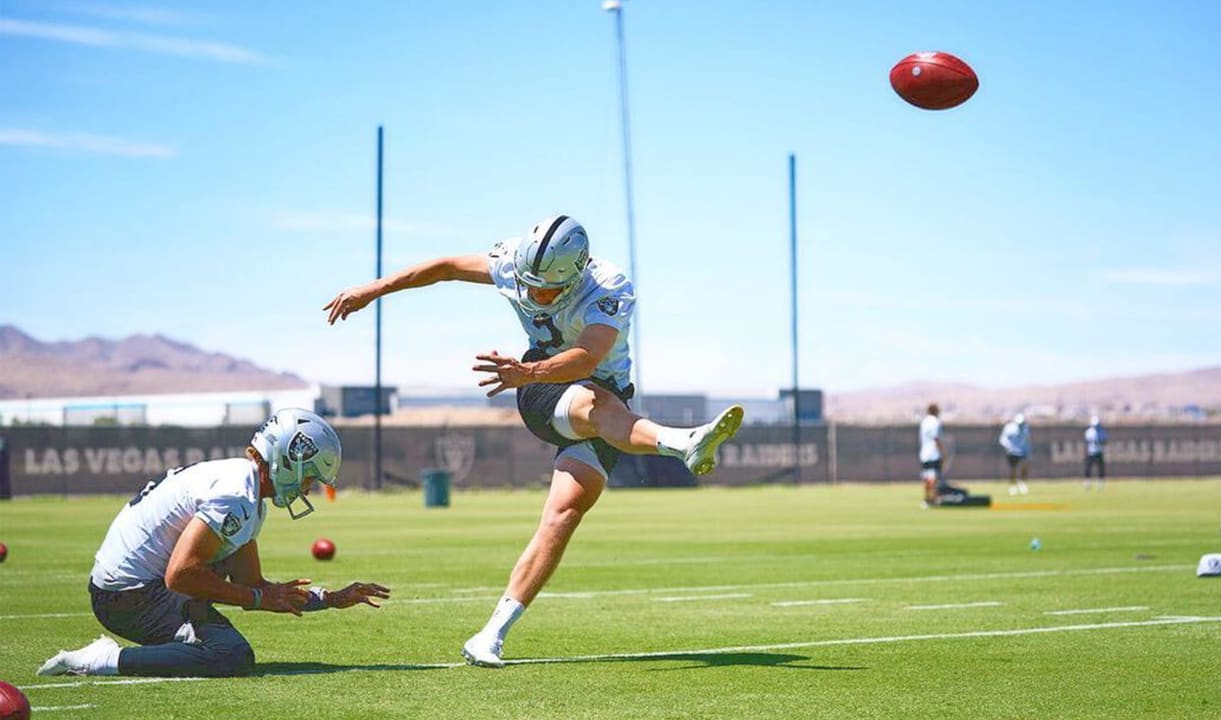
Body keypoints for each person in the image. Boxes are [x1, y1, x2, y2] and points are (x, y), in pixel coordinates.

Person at [324, 214, 744, 668]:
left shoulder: (608, 289)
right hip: (541, 390)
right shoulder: (511, 261)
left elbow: (586, 357)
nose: (534, 295)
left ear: (576, 275)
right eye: (529, 284)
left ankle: (490, 635)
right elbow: (444, 266)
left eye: (546, 290)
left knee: (564, 513)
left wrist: (528, 372)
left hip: (583, 387)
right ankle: (684, 443)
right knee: (599, 408)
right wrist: (372, 289)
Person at [37, 409, 391, 678]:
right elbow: (181, 575)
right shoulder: (236, 494)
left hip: (135, 588)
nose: (309, 487)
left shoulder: (244, 488)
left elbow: (253, 585)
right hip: (127, 597)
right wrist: (255, 598)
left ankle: (146, 646)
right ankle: (102, 660)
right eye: (310, 476)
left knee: (230, 639)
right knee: (231, 654)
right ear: (287, 462)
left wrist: (330, 599)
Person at [918, 403, 944, 507]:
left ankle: (926, 499)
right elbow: (936, 438)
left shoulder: (924, 421)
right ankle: (933, 499)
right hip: (933, 453)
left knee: (926, 477)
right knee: (933, 478)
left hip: (924, 454)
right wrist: (942, 452)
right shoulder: (935, 421)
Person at [998, 413, 1030, 495]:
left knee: (1024, 466)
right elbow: (1003, 438)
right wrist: (1008, 446)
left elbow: (1026, 440)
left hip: (1022, 451)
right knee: (1013, 469)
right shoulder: (1009, 427)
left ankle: (1022, 483)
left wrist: (1027, 450)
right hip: (1012, 452)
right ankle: (1013, 486)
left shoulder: (1025, 427)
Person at [1083, 415, 1107, 490]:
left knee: (1100, 468)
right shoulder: (1089, 431)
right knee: (1088, 467)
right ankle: (1087, 482)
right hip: (1091, 452)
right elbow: (1087, 442)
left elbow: (1104, 441)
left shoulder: (1102, 431)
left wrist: (1100, 442)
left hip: (1099, 451)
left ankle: (1100, 482)